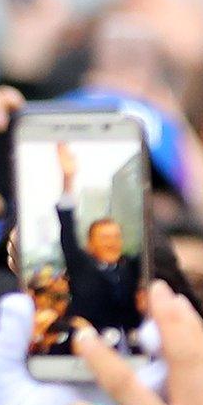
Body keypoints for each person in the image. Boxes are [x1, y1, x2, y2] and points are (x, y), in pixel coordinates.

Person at [49, 144, 141, 343]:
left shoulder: (131, 269)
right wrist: (68, 180)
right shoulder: (81, 266)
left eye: (116, 237)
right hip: (84, 350)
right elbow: (67, 230)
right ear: (90, 245)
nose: (112, 243)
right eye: (105, 238)